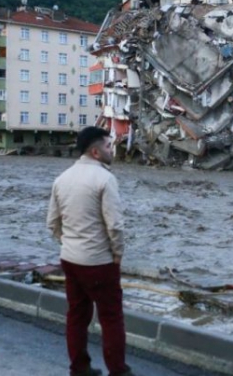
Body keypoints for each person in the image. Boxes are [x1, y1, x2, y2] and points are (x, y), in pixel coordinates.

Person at [47, 127, 134, 376]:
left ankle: (80, 368)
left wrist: (69, 242)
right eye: (108, 146)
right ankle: (118, 371)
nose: (111, 150)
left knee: (76, 316)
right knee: (111, 318)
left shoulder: (62, 179)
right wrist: (117, 254)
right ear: (95, 152)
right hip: (99, 261)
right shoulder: (105, 179)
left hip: (70, 259)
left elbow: (52, 222)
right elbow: (115, 225)